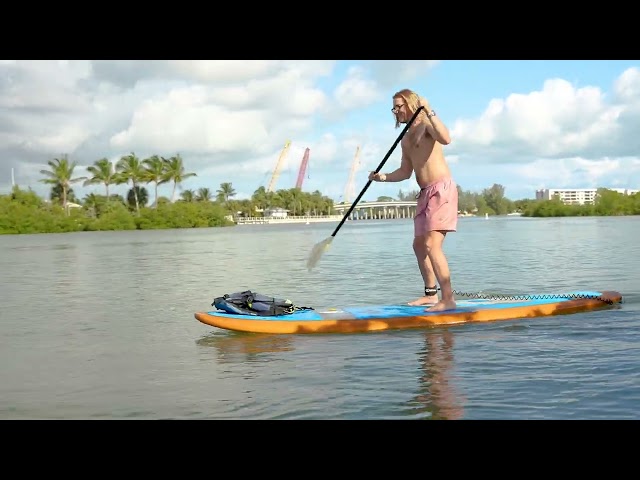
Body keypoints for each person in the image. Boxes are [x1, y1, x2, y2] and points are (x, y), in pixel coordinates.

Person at [368, 88, 458, 312]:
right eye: (394, 108)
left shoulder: (427, 123)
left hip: (441, 190)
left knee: (432, 245)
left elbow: (446, 138)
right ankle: (430, 294)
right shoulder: (405, 138)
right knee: (419, 245)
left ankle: (448, 299)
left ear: (410, 104)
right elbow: (405, 172)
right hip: (424, 192)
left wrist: (429, 110)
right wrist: (382, 178)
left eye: (399, 106)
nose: (395, 111)